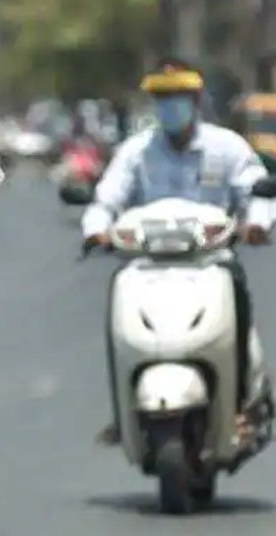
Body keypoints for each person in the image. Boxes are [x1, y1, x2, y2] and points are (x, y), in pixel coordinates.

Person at [83, 58, 275, 445]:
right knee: (116, 314)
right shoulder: (136, 152)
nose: (171, 105)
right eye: (162, 97)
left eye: (178, 97)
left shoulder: (227, 148)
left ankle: (240, 405)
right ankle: (124, 411)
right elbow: (106, 198)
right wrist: (95, 231)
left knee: (236, 298)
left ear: (196, 98)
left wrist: (256, 225)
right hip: (146, 265)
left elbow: (256, 190)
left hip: (212, 260)